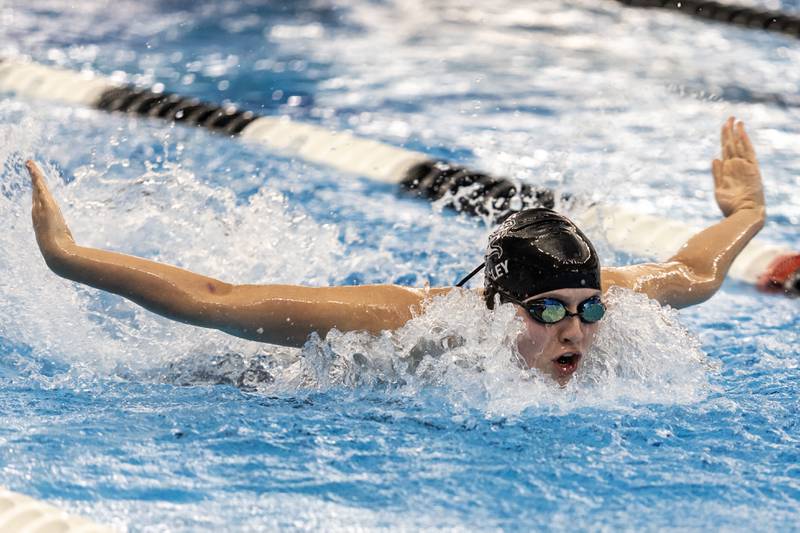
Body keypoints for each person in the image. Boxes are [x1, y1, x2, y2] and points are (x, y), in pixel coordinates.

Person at [26, 117, 766, 384]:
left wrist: (748, 211)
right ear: (500, 304)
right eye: (547, 309)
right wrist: (70, 257)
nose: (576, 330)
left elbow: (697, 271)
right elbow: (220, 300)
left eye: (588, 306)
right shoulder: (420, 326)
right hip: (299, 384)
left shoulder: (613, 315)